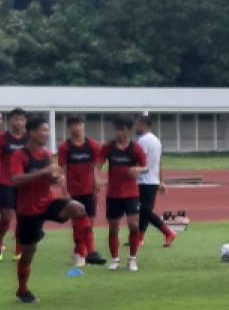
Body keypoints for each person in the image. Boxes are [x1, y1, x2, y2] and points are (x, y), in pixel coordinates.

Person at [10, 117, 96, 302]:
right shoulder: (20, 155)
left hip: (47, 203)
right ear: (32, 133)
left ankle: (90, 252)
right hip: (28, 211)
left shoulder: (48, 154)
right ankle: (22, 290)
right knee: (28, 253)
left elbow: (50, 177)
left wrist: (56, 179)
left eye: (47, 130)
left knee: (78, 208)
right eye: (43, 130)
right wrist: (43, 173)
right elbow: (16, 180)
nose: (47, 134)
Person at [98, 118, 149, 272]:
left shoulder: (136, 149)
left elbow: (146, 167)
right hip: (113, 193)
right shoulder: (108, 147)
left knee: (134, 225)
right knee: (113, 228)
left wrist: (137, 170)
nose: (119, 132)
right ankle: (115, 259)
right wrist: (96, 178)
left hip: (131, 193)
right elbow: (98, 165)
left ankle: (132, 259)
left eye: (122, 129)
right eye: (117, 129)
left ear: (129, 131)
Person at [57, 115, 107, 265]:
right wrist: (64, 190)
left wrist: (96, 183)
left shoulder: (93, 145)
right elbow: (63, 169)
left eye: (78, 124)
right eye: (73, 125)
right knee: (77, 223)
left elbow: (95, 167)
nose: (76, 128)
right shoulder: (64, 147)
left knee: (89, 223)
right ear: (69, 128)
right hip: (74, 191)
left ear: (83, 126)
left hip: (89, 190)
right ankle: (80, 252)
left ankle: (82, 249)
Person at [0, 108, 28, 261]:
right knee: (5, 217)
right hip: (4, 181)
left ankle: (19, 249)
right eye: (15, 119)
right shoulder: (2, 138)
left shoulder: (28, 139)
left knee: (23, 216)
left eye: (21, 119)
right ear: (10, 121)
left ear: (24, 121)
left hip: (23, 182)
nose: (18, 122)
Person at [134, 115, 178, 248]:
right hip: (151, 180)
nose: (135, 127)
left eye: (137, 124)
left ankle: (167, 232)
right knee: (143, 210)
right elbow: (159, 162)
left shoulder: (142, 141)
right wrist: (160, 181)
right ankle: (140, 238)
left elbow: (139, 161)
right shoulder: (156, 140)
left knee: (144, 210)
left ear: (143, 124)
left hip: (143, 181)